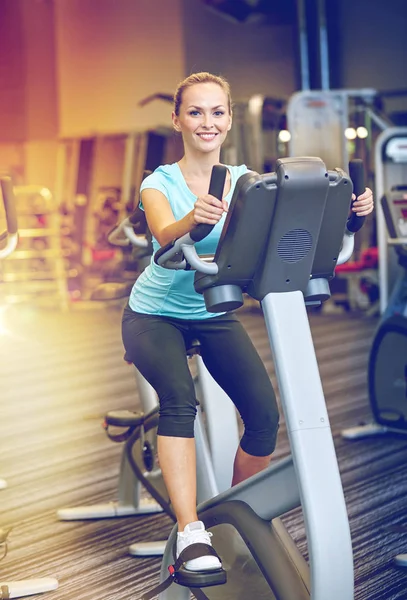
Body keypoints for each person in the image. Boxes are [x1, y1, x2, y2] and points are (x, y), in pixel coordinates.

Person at [122, 71, 375, 573]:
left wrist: (349, 217)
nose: (207, 122)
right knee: (180, 402)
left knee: (263, 420)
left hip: (212, 313)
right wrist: (193, 220)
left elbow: (289, 229)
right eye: (195, 112)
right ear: (177, 120)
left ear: (230, 119)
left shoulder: (244, 182)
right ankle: (192, 532)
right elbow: (163, 234)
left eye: (217, 112)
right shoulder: (160, 182)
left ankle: (232, 518)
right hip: (153, 314)